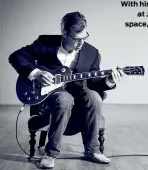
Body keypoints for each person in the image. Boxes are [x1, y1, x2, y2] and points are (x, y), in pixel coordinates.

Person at [9, 11, 124, 168]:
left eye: (85, 37)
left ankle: (92, 150)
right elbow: (16, 57)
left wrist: (109, 81)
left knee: (94, 97)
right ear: (64, 32)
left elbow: (94, 83)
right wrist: (36, 73)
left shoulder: (92, 52)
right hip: (49, 99)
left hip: (79, 99)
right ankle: (50, 154)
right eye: (76, 39)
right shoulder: (44, 43)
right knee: (64, 98)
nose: (81, 43)